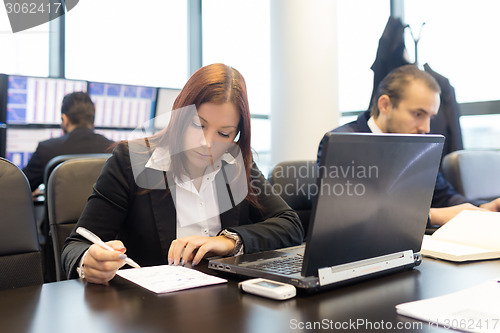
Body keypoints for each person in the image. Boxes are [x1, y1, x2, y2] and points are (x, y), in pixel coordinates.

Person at [62, 63, 304, 285]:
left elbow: (290, 225)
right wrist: (88, 260)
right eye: (198, 125)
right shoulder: (131, 161)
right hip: (149, 311)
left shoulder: (236, 163)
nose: (206, 143)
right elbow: (76, 245)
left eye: (224, 134)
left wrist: (229, 241)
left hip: (226, 306)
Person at [317, 65, 500, 226]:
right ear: (385, 105)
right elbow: (352, 215)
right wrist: (433, 216)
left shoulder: (419, 145)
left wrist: (482, 208)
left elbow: (443, 196)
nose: (426, 128)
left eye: (430, 117)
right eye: (418, 114)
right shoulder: (342, 143)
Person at [22, 91, 114, 192]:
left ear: (65, 119)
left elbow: (20, 187)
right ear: (92, 119)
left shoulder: (46, 149)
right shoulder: (114, 149)